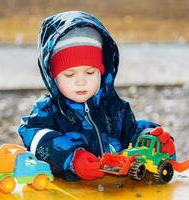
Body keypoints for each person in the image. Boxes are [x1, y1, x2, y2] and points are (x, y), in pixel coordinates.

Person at [18, 11, 175, 181]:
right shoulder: (48, 111)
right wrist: (72, 159)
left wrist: (151, 135)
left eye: (90, 72)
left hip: (114, 191)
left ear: (102, 72)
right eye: (69, 75)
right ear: (53, 77)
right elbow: (34, 135)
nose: (81, 82)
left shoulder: (115, 108)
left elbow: (132, 133)